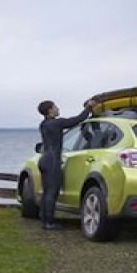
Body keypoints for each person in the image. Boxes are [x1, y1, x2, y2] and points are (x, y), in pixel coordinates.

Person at [37, 99, 97, 230]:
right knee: (52, 192)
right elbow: (77, 119)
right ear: (50, 110)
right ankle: (49, 223)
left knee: (47, 191)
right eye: (55, 107)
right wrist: (88, 107)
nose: (58, 108)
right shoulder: (56, 123)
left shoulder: (44, 124)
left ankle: (44, 220)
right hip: (52, 161)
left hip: (44, 159)